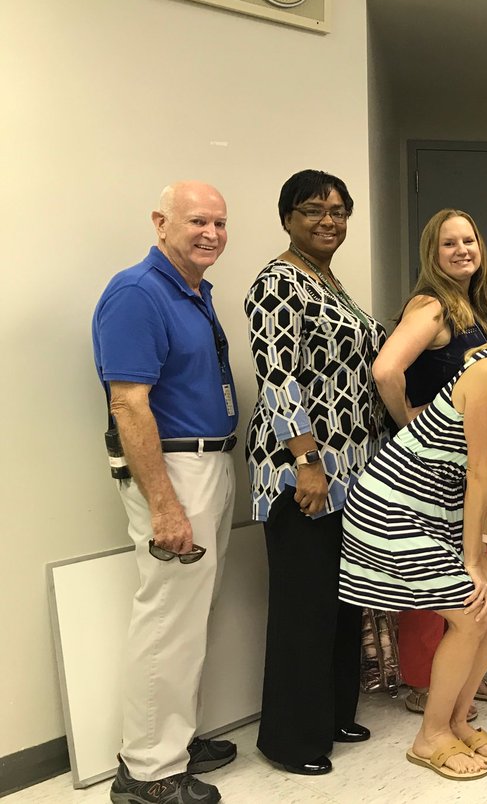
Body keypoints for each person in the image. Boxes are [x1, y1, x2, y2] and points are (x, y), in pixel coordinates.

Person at [339, 291, 487, 780]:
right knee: (471, 608)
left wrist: (485, 543)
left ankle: (458, 721)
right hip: (392, 507)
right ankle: (430, 736)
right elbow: (479, 472)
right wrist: (473, 559)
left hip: (435, 509)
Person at [92, 182, 238, 804]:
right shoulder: (136, 293)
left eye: (220, 223)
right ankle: (149, 771)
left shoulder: (194, 292)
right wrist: (164, 504)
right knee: (168, 621)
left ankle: (173, 739)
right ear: (161, 222)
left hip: (207, 465)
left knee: (189, 617)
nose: (211, 233)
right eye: (197, 221)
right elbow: (128, 402)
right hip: (174, 472)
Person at [244, 170, 385, 776]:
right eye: (312, 210)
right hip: (303, 475)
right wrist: (307, 462)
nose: (328, 220)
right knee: (304, 607)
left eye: (338, 210)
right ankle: (291, 739)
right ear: (287, 218)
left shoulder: (329, 281)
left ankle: (331, 714)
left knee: (340, 601)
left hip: (351, 473)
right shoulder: (277, 283)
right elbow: (278, 378)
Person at [371, 209, 487, 713]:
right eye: (449, 243)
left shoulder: (479, 307)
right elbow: (387, 370)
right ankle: (427, 682)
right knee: (434, 580)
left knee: (469, 565)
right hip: (432, 469)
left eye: (468, 240)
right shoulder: (433, 305)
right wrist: (410, 421)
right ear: (433, 253)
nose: (462, 250)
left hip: (466, 468)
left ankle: (460, 671)